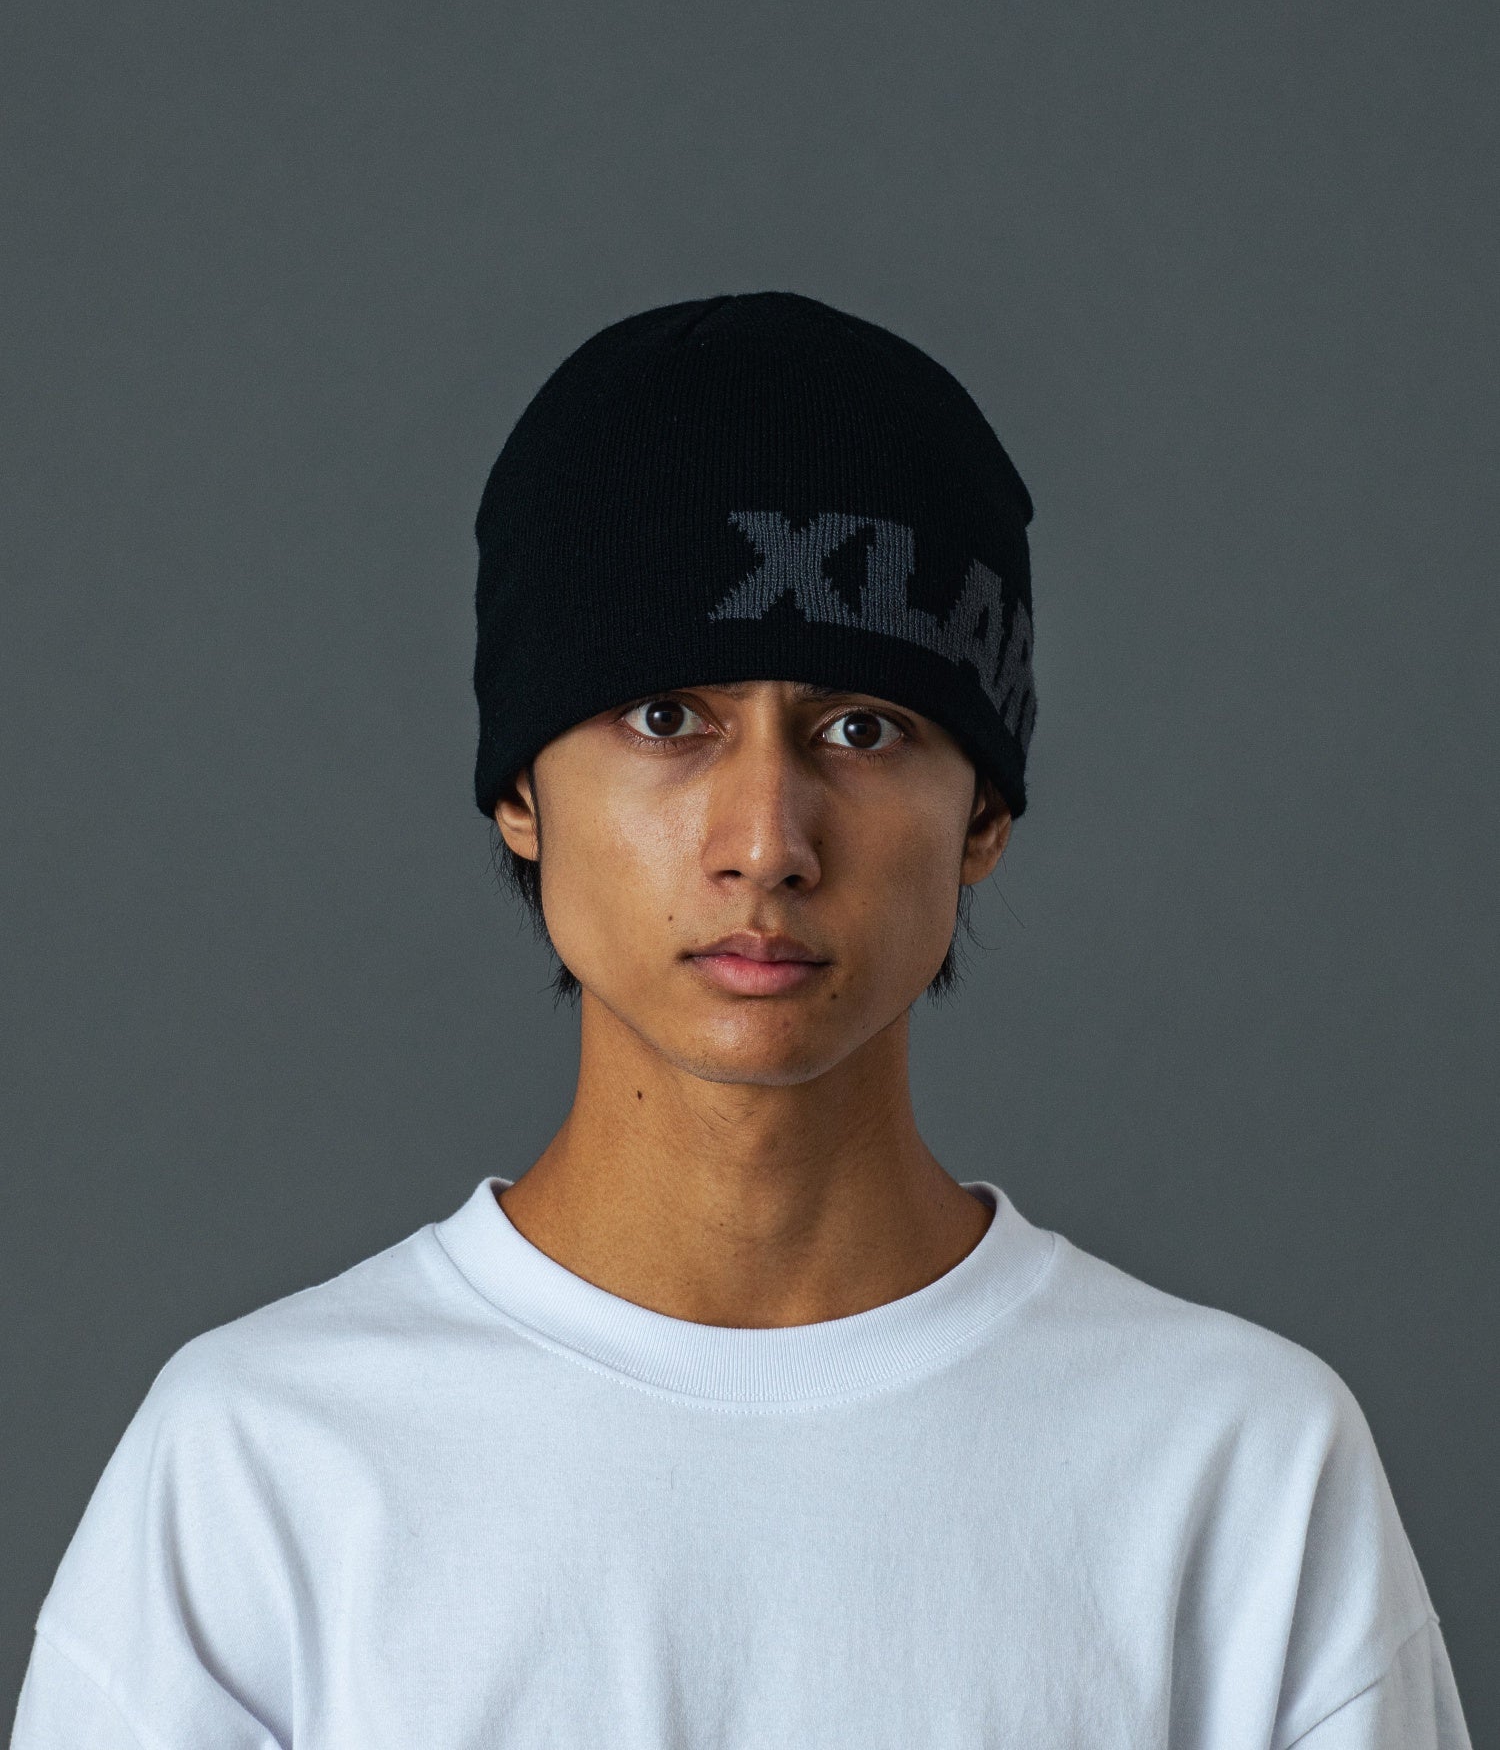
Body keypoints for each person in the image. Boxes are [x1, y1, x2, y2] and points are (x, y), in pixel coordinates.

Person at [11, 293, 1471, 1749]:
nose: (766, 841)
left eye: (862, 727)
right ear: (520, 790)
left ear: (984, 815)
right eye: (666, 718)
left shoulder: (1242, 1473)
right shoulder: (261, 1469)